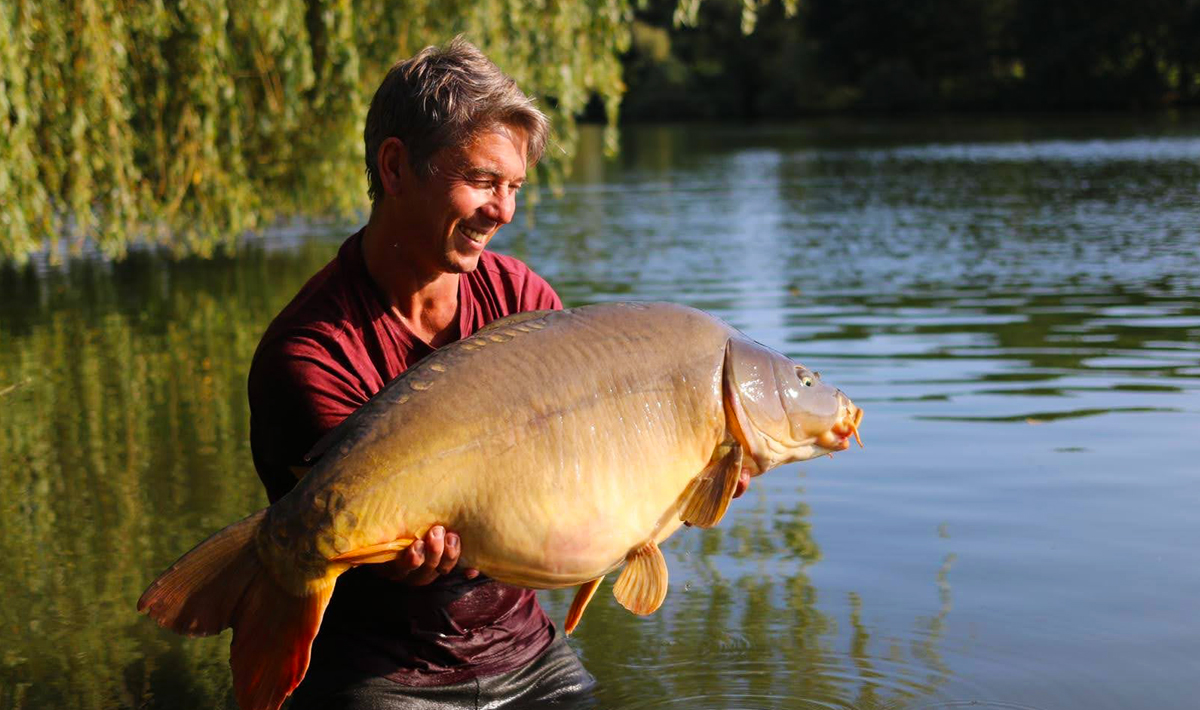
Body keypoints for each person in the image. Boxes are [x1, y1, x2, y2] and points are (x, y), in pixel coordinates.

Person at [247, 38, 595, 708]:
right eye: (483, 181)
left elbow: (579, 467)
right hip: (385, 675)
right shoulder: (310, 351)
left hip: (528, 654)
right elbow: (377, 534)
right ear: (396, 167)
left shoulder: (523, 300)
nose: (504, 211)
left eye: (514, 187)